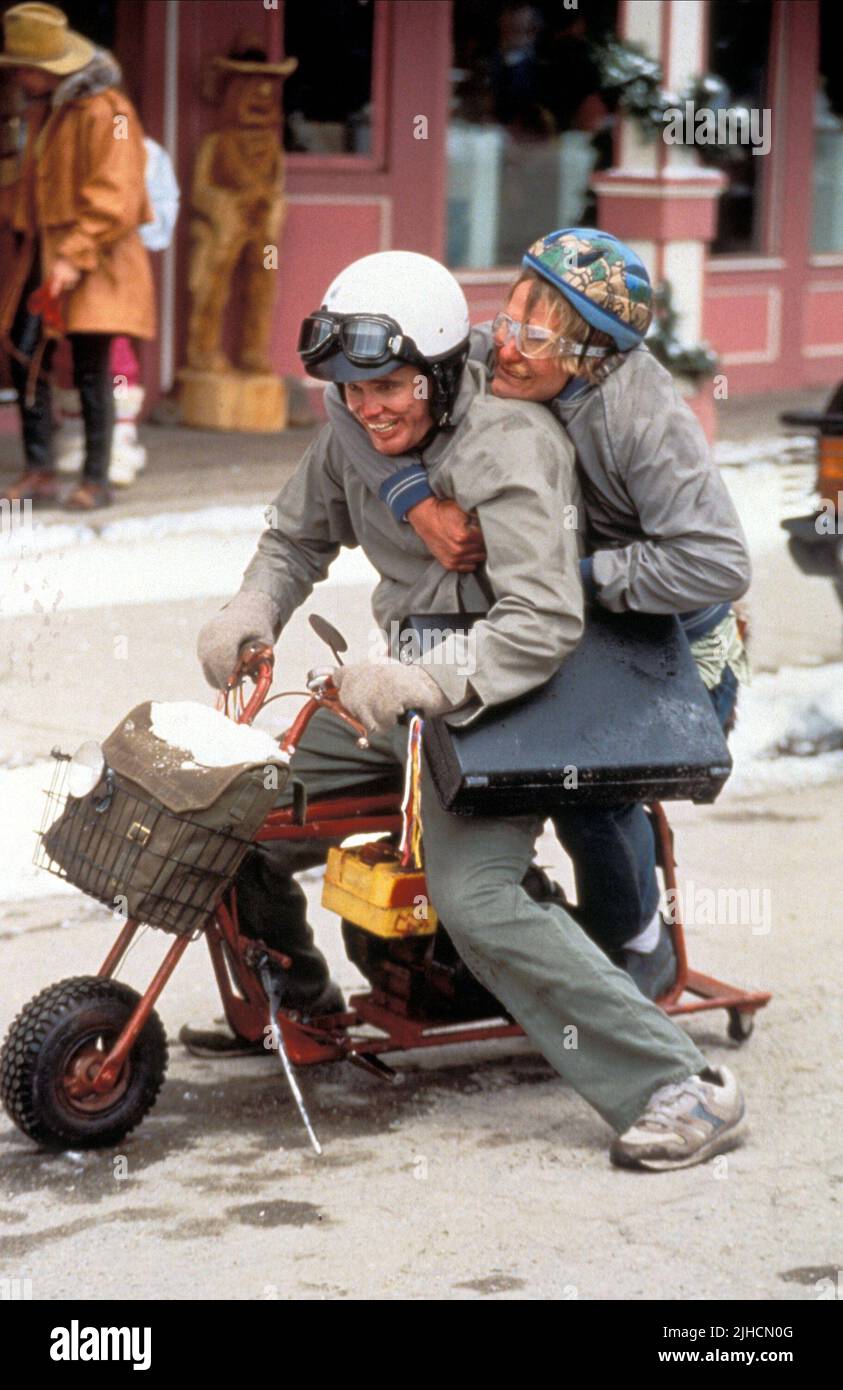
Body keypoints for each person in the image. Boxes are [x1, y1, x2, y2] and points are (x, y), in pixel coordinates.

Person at [193, 249, 746, 1172]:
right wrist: (252, 607)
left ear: (444, 372)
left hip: (509, 685)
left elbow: (544, 619)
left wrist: (435, 680)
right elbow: (295, 535)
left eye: (388, 387)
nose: (369, 407)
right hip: (399, 679)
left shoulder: (515, 442)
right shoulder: (359, 414)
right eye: (349, 387)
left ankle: (676, 1083)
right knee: (232, 812)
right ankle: (299, 1008)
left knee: (476, 895)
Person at [321, 227, 752, 1002]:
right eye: (510, 314)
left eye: (534, 337)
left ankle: (636, 950)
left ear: (591, 357)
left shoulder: (644, 421)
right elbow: (341, 389)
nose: (505, 348)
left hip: (671, 649)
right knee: (489, 768)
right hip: (566, 625)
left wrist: (575, 574)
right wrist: (409, 499)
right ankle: (516, 939)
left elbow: (716, 561)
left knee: (589, 791)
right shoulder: (496, 347)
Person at [0, 3, 156, 511]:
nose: (19, 75)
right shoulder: (42, 111)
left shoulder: (106, 111)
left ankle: (97, 478)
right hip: (41, 256)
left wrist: (72, 256)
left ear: (51, 67)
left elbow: (118, 196)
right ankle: (40, 471)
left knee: (92, 369)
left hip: (95, 260)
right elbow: (29, 190)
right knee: (24, 357)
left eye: (25, 66)